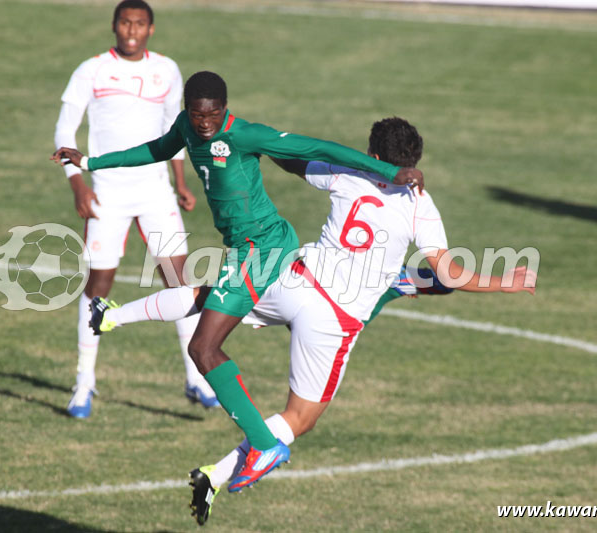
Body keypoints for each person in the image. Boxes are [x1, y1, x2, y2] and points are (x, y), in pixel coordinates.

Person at [79, 117, 537, 525]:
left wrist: (263, 149)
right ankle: (219, 474)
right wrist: (507, 282)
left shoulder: (352, 171)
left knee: (214, 296)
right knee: (300, 418)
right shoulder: (420, 202)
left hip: (293, 279)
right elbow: (447, 273)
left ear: (373, 155)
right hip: (333, 319)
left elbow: (297, 160)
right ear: (415, 159)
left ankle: (116, 315)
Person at [52, 72, 426, 491]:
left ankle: (265, 444)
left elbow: (318, 147)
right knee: (205, 300)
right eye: (197, 115)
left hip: (263, 249)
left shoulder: (245, 135)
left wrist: (387, 170)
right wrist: (89, 162)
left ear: (224, 109)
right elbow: (155, 150)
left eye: (213, 114)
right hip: (242, 250)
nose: (205, 123)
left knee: (203, 346)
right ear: (187, 111)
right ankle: (114, 317)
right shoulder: (184, 128)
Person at [53, 0, 218, 418]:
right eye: (125, 22)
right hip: (107, 191)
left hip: (155, 191)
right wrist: (77, 183)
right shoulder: (91, 70)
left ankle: (196, 379)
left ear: (151, 29)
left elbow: (173, 131)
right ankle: (84, 384)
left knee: (180, 283)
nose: (131, 30)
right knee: (99, 285)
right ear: (114, 26)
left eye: (139, 23)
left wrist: (181, 183)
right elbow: (64, 128)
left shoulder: (166, 69)